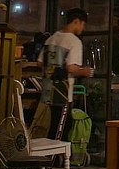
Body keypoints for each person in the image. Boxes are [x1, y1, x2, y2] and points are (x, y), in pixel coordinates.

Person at [38, 8, 95, 140]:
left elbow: (39, 63)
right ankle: (56, 154)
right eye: (83, 24)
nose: (83, 28)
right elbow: (71, 68)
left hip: (47, 91)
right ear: (76, 21)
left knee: (51, 128)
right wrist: (84, 71)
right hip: (62, 92)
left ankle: (49, 152)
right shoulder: (74, 41)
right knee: (62, 130)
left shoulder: (51, 39)